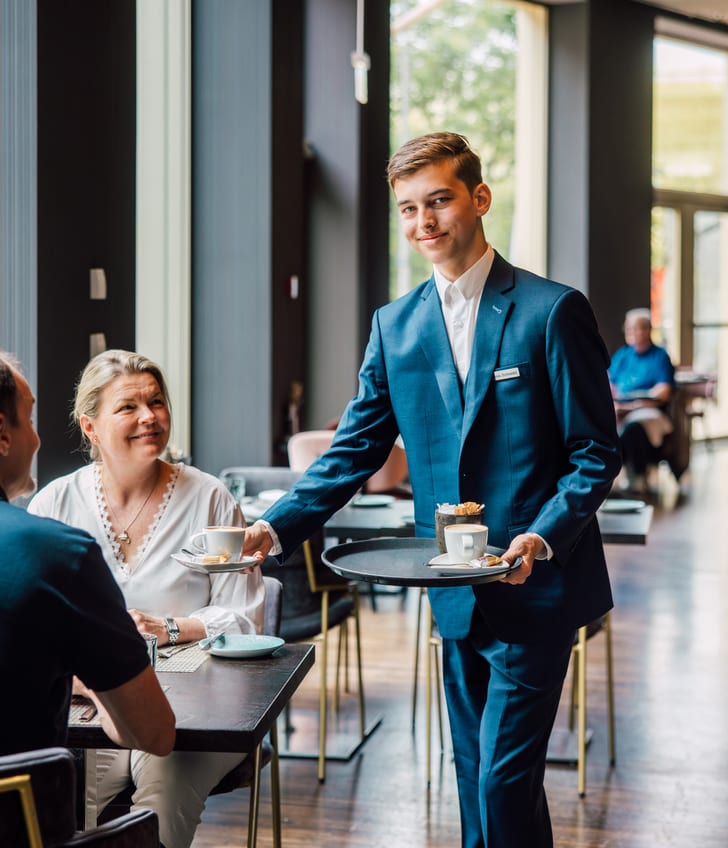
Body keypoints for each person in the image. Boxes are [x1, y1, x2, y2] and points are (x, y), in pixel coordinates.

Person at [243, 131, 621, 848]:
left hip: (535, 586)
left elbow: (595, 451)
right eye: (409, 209)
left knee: (501, 783)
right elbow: (355, 446)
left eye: (439, 201)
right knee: (477, 770)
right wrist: (277, 525)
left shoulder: (551, 311)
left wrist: (544, 534)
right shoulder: (396, 326)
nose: (424, 222)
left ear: (478, 199)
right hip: (449, 588)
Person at [28, 349, 265, 848]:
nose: (150, 418)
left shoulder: (210, 498)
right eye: (128, 408)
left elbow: (245, 618)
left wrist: (171, 628)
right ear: (89, 427)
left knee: (165, 783)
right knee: (80, 795)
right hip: (95, 701)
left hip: (202, 709)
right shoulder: (54, 504)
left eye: (156, 402)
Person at [0, 351, 175, 758]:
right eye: (29, 420)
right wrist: (91, 682)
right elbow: (154, 734)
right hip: (18, 814)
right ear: (3, 436)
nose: (38, 438)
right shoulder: (58, 552)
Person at [609, 307, 675, 494]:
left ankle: (637, 475)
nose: (631, 333)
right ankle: (608, 475)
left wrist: (634, 405)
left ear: (647, 330)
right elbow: (609, 383)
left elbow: (663, 392)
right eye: (628, 328)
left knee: (635, 428)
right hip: (621, 407)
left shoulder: (659, 356)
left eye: (636, 328)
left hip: (648, 409)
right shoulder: (622, 355)